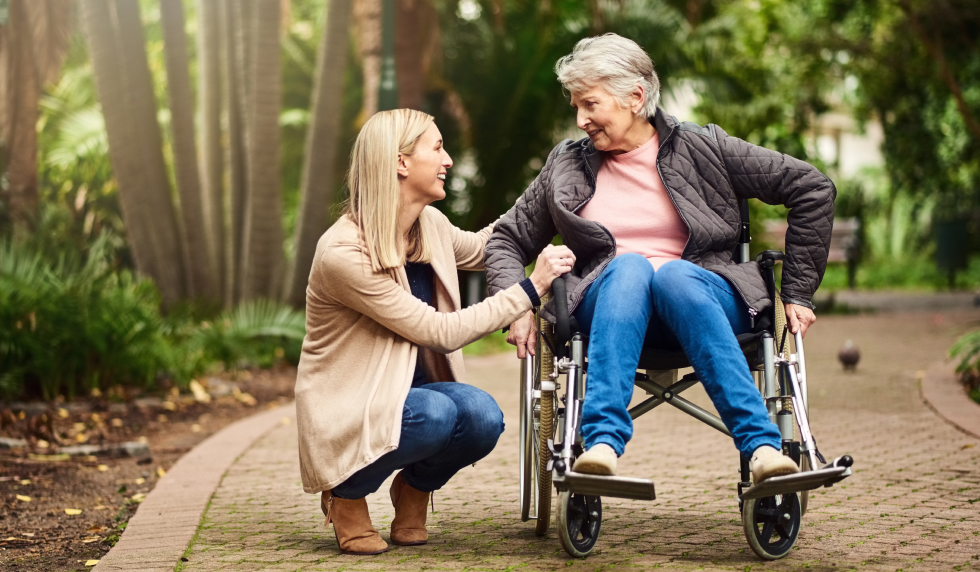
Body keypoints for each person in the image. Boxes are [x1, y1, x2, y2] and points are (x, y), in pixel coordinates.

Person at [485, 34, 836, 482]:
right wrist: (515, 305)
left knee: (674, 276)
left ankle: (762, 448)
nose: (581, 120)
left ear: (635, 96)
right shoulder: (566, 166)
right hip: (607, 305)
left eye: (590, 104)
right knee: (629, 266)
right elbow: (507, 239)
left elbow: (812, 189)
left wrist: (798, 293)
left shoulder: (705, 147)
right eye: (576, 107)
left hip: (702, 299)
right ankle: (601, 446)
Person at [295, 109, 575, 555]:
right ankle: (345, 495)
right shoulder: (343, 252)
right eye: (438, 148)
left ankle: (414, 489)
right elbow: (439, 331)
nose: (447, 160)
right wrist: (531, 288)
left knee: (483, 417)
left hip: (419, 394)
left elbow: (490, 244)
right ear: (401, 162)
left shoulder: (430, 226)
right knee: (436, 415)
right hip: (356, 404)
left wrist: (552, 197)